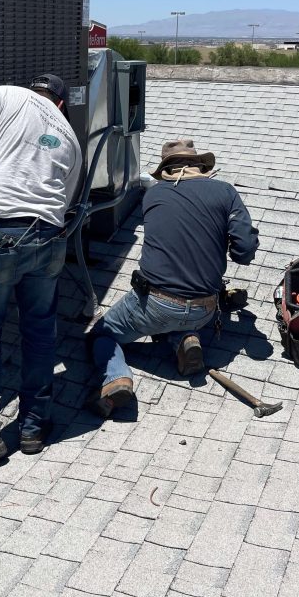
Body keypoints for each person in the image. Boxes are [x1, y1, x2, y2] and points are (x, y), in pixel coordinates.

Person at [0, 74, 82, 464]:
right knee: (40, 332)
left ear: (34, 91)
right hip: (49, 240)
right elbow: (68, 198)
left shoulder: (6, 94)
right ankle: (33, 427)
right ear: (60, 103)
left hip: (0, 235)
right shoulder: (71, 138)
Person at [86, 139, 259, 418]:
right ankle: (184, 339)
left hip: (154, 304)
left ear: (165, 169)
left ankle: (116, 379)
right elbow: (244, 251)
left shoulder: (152, 196)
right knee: (179, 316)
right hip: (204, 308)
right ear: (200, 166)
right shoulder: (226, 192)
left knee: (101, 334)